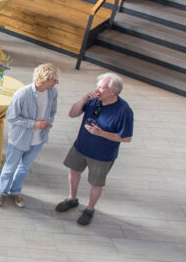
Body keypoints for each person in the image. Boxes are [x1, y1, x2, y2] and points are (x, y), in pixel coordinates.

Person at [55, 73, 134, 226]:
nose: (97, 90)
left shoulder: (124, 111)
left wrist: (102, 133)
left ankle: (90, 209)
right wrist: (84, 99)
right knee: (74, 171)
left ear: (113, 91)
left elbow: (126, 138)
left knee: (96, 183)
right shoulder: (93, 100)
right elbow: (72, 114)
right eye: (97, 86)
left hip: (102, 155)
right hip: (81, 146)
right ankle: (72, 198)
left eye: (101, 87)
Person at [0, 63, 59, 208]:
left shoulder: (53, 93)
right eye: (54, 79)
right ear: (44, 80)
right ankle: (0, 191)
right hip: (19, 138)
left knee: (24, 168)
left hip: (39, 139)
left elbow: (53, 111)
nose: (57, 82)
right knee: (10, 167)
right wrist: (34, 124)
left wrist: (48, 123)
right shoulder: (22, 94)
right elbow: (11, 118)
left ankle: (16, 191)